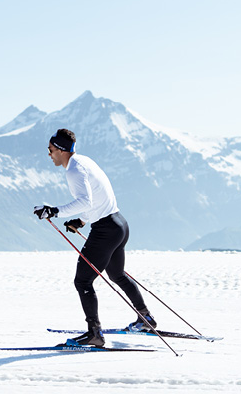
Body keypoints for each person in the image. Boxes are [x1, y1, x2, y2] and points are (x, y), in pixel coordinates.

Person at [33, 128, 156, 347]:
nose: (49, 154)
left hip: (105, 230)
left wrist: (54, 211)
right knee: (117, 275)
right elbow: (98, 198)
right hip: (119, 224)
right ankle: (145, 318)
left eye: (50, 150)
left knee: (82, 281)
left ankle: (95, 333)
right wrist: (81, 221)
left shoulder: (73, 172)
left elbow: (86, 202)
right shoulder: (84, 162)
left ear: (60, 150)